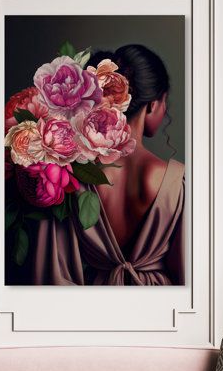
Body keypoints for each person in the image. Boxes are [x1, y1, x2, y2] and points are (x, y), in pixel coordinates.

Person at [26, 44, 185, 286]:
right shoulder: (177, 181)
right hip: (158, 309)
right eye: (164, 102)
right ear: (153, 104)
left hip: (92, 305)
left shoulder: (72, 172)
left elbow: (54, 270)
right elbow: (186, 274)